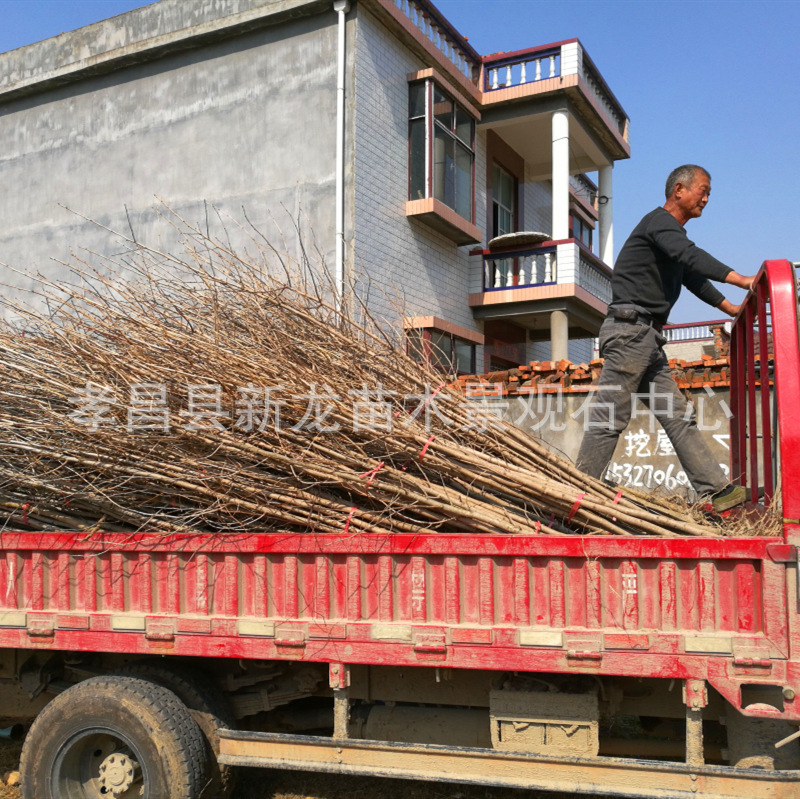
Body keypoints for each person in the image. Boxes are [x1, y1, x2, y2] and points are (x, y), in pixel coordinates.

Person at [575, 165, 754, 512]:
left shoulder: (669, 240)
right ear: (679, 190)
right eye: (703, 190)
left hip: (646, 337)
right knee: (610, 417)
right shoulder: (659, 224)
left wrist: (732, 308)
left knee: (677, 415)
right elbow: (691, 256)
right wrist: (741, 279)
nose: (706, 198)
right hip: (630, 333)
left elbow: (693, 277)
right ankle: (576, 498)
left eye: (709, 193)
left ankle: (717, 490)